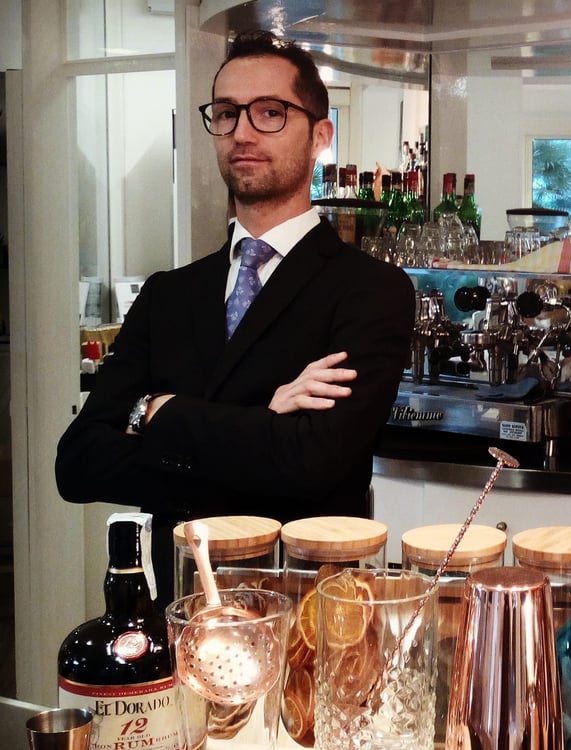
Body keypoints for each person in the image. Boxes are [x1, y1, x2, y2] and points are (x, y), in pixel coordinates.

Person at [55, 30, 415, 607]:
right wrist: (263, 421)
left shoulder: (370, 291)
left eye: (270, 113)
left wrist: (158, 414)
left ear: (321, 135)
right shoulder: (168, 293)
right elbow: (77, 464)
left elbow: (315, 465)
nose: (242, 132)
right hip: (180, 611)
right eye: (226, 114)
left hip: (308, 618)